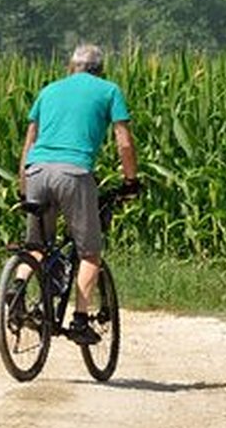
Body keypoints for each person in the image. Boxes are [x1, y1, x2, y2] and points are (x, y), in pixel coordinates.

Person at [17, 43, 140, 345]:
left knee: (36, 246)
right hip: (74, 172)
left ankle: (15, 294)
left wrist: (24, 186)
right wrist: (130, 180)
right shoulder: (109, 90)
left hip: (36, 171)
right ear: (101, 70)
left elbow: (29, 142)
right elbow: (123, 142)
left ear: (71, 67)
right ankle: (80, 320)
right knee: (89, 252)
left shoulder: (48, 91)